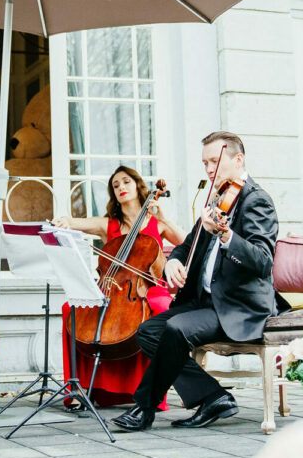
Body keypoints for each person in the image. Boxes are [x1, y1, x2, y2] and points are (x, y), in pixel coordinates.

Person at [111, 131, 287, 432]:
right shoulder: (219, 199)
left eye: (214, 162)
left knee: (175, 329)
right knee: (148, 331)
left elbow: (262, 261)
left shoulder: (256, 200)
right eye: (205, 163)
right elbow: (186, 245)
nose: (209, 169)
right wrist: (174, 262)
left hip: (238, 305)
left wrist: (226, 235)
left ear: (238, 159)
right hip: (205, 302)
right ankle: (214, 397)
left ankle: (144, 409)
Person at [53, 165, 187, 411]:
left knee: (161, 308)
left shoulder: (157, 223)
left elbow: (188, 242)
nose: (121, 188)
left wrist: (164, 218)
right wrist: (65, 221)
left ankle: (152, 390)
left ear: (137, 186)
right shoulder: (108, 224)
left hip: (149, 289)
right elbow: (77, 223)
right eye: (116, 185)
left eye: (126, 182)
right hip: (112, 289)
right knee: (70, 308)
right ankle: (79, 389)